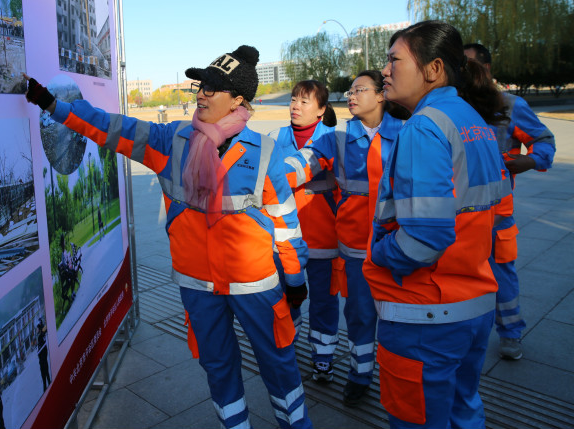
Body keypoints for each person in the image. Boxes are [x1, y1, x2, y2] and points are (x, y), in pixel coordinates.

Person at [25, 46, 312, 429]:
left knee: (279, 366)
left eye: (214, 87)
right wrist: (53, 105)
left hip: (256, 288)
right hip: (198, 288)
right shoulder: (170, 141)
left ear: (240, 99)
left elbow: (287, 229)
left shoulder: (266, 154)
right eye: (202, 84)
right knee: (218, 369)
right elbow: (111, 127)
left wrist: (295, 283)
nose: (202, 93)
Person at [362, 21, 511, 428]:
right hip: (473, 302)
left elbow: (426, 237)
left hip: (425, 314)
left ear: (433, 69)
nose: (385, 71)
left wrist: (378, 253)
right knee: (464, 410)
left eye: (395, 60)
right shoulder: (471, 119)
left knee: (418, 419)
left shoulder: (424, 126)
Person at [284, 71, 408, 406]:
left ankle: (402, 379)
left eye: (359, 90)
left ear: (381, 95)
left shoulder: (408, 134)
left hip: (400, 245)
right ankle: (359, 375)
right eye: (350, 90)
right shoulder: (336, 139)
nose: (351, 95)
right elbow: (298, 165)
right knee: (359, 313)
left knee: (401, 317)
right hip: (355, 247)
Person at [463, 43, 556, 360]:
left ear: (487, 68)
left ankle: (511, 333)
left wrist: (530, 162)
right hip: (461, 218)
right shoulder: (458, 106)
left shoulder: (510, 105)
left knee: (503, 279)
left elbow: (543, 140)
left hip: (498, 216)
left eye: (470, 65)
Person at [271, 81, 341, 384]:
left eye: (304, 101)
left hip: (325, 238)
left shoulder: (334, 140)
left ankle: (323, 359)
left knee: (325, 302)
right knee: (288, 299)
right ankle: (287, 348)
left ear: (321, 110)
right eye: (293, 99)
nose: (295, 106)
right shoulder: (276, 138)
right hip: (286, 240)